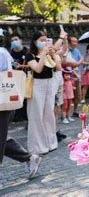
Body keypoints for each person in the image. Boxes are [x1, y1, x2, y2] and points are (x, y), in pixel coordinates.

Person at [0, 29, 42, 179]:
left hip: (2, 102)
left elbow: (5, 75)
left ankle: (30, 158)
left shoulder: (1, 53)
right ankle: (30, 157)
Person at [25, 31, 62, 155]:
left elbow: (58, 68)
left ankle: (51, 143)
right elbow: (37, 69)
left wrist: (54, 55)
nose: (45, 42)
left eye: (46, 40)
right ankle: (37, 146)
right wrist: (43, 55)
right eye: (41, 40)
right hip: (37, 85)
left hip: (49, 84)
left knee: (48, 114)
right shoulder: (30, 55)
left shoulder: (49, 54)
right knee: (36, 115)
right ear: (35, 42)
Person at [10, 33, 30, 122]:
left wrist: (21, 66)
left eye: (16, 39)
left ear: (21, 40)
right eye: (12, 40)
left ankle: (26, 115)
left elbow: (31, 65)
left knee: (26, 98)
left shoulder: (27, 52)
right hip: (14, 78)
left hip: (25, 78)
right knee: (16, 97)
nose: (14, 42)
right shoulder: (11, 53)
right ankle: (17, 115)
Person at [67, 36, 83, 117]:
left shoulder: (77, 51)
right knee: (68, 96)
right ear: (69, 42)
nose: (75, 43)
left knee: (78, 95)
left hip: (77, 76)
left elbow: (81, 59)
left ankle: (75, 111)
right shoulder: (66, 51)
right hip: (68, 77)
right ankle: (67, 114)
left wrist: (78, 63)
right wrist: (77, 63)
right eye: (73, 41)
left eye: (76, 41)